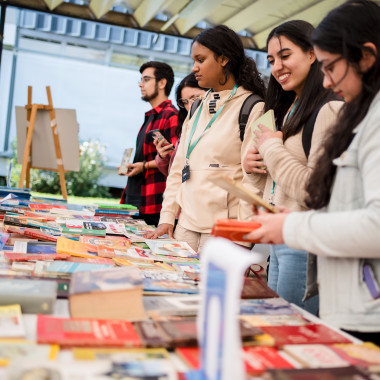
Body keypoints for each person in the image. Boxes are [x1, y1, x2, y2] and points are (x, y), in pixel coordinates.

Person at [245, 0, 380, 343]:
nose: (326, 80)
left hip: (352, 287)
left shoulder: (351, 114)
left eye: (330, 66)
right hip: (332, 273)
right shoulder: (351, 112)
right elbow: (342, 198)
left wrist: (293, 223)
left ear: (366, 56)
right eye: (271, 60)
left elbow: (371, 221)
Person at [242, 20, 342, 315]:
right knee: (279, 326)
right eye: (271, 60)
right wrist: (253, 166)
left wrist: (271, 149)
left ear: (313, 54)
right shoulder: (289, 109)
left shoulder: (329, 109)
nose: (277, 67)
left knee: (291, 328)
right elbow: (277, 183)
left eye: (285, 56)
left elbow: (313, 191)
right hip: (281, 240)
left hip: (303, 244)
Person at [148, 25, 266, 252]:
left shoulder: (252, 107)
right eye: (194, 60)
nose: (194, 68)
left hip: (226, 230)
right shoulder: (196, 109)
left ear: (223, 59)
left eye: (201, 60)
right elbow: (179, 168)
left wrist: (241, 238)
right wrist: (167, 216)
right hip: (185, 224)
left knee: (214, 289)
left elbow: (254, 181)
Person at [119, 61, 178, 227]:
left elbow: (174, 157)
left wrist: (144, 166)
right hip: (136, 197)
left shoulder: (171, 115)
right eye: (141, 80)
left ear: (162, 83)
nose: (140, 84)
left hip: (152, 204)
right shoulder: (152, 115)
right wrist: (135, 166)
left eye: (146, 79)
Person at [154, 72, 207, 176]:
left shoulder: (222, 123)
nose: (190, 105)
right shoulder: (185, 128)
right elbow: (174, 174)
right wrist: (162, 157)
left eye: (195, 98)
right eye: (185, 102)